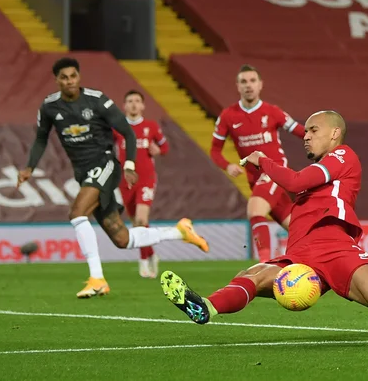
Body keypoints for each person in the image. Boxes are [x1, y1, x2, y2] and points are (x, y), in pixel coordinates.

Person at [162, 111, 368, 339]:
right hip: (300, 253)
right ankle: (205, 307)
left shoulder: (343, 155)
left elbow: (294, 181)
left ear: (335, 133)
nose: (305, 135)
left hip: (336, 248)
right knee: (253, 275)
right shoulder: (317, 171)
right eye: (305, 130)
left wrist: (262, 159)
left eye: (313, 129)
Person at [17, 57, 209, 298]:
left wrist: (128, 164)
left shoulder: (97, 100)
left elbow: (128, 132)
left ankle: (97, 278)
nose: (69, 81)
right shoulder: (49, 106)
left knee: (77, 214)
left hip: (105, 164)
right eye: (64, 77)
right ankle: (179, 232)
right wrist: (29, 167)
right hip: (83, 172)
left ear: (79, 77)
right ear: (56, 80)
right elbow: (41, 138)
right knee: (122, 237)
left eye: (73, 76)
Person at [210, 64, 305, 262]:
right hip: (254, 178)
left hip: (274, 170)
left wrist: (321, 139)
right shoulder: (228, 116)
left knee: (255, 210)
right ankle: (331, 253)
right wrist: (227, 165)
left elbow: (300, 131)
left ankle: (264, 263)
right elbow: (215, 150)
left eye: (252, 81)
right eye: (243, 81)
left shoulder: (273, 112)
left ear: (260, 85)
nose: (248, 85)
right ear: (237, 86)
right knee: (297, 227)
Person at [113, 90, 169, 279]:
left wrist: (158, 150)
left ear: (143, 105)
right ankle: (151, 254)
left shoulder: (151, 126)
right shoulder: (118, 128)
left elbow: (165, 147)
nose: (134, 104)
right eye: (130, 101)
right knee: (137, 224)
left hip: (146, 179)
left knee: (140, 220)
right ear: (124, 106)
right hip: (125, 180)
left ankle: (143, 262)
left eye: (137, 101)